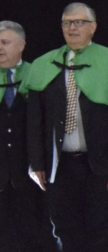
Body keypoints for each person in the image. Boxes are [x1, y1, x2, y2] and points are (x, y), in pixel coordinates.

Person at [23, 2, 108, 251]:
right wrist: (37, 163)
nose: (72, 28)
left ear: (93, 27)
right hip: (60, 164)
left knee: (101, 230)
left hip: (102, 165)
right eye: (67, 22)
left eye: (79, 22)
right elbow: (35, 121)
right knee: (64, 229)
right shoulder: (45, 63)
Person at [0, 20, 57, 252]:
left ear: (21, 44)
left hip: (31, 173)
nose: (0, 48)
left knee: (34, 234)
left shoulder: (38, 75)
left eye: (4, 42)